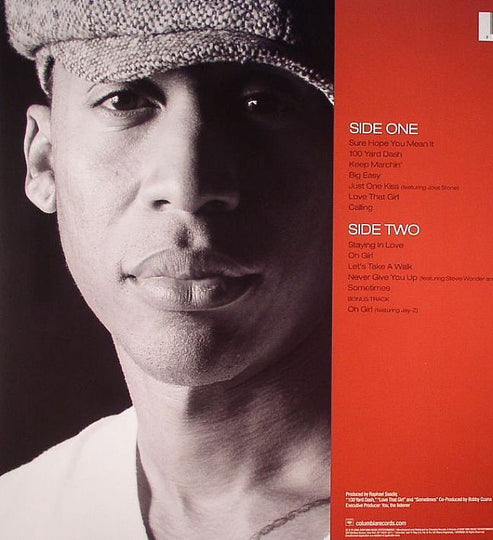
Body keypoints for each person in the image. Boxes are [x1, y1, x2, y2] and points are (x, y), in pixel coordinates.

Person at [0, 1, 334, 538]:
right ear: (43, 161)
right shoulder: (19, 516)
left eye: (262, 103)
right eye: (124, 100)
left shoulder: (464, 508)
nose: (188, 184)